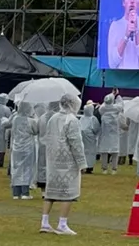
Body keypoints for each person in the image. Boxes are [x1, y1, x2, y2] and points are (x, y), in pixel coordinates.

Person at [41, 96, 87, 236]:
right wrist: (82, 162)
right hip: (68, 161)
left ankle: (44, 222)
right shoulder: (72, 120)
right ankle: (62, 224)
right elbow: (76, 143)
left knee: (50, 192)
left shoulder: (53, 118)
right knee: (68, 193)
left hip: (52, 159)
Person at [8, 100, 38, 199]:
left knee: (16, 168)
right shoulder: (31, 121)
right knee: (27, 169)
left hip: (16, 146)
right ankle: (25, 193)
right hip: (28, 147)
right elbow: (36, 131)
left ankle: (16, 193)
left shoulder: (15, 119)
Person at [97, 93, 122, 174]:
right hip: (114, 134)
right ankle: (114, 169)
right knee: (115, 151)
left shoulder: (103, 109)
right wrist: (117, 95)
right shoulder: (116, 109)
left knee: (104, 151)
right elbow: (121, 104)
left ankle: (104, 169)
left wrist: (111, 95)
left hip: (105, 134)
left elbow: (102, 105)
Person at [79, 103, 100, 173]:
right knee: (90, 152)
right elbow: (96, 129)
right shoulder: (93, 118)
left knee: (83, 151)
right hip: (90, 138)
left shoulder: (82, 118)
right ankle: (89, 167)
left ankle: (82, 166)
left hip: (82, 137)